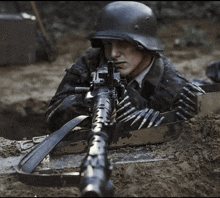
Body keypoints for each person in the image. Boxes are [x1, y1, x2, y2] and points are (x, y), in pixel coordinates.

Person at [45, 1, 205, 134]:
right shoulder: (92, 61)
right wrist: (88, 101)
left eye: (123, 44)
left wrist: (127, 102)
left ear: (144, 46)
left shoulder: (173, 87)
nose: (113, 53)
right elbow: (52, 116)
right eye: (108, 44)